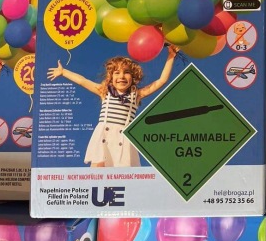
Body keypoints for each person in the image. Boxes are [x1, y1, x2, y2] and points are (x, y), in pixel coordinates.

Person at [47, 45, 178, 167]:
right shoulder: (105, 92)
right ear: (110, 77)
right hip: (104, 137)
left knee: (121, 174)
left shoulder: (136, 95)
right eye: (117, 72)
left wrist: (171, 56)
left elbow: (161, 81)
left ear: (133, 77)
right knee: (97, 171)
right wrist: (64, 72)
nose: (121, 76)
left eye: (126, 72)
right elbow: (82, 81)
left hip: (123, 140)